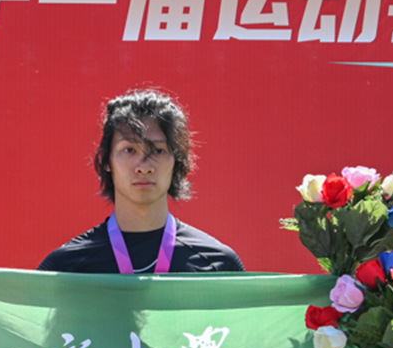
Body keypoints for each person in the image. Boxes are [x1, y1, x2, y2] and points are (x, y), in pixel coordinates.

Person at [36, 88, 244, 274]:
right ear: (106, 161)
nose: (144, 167)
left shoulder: (218, 265)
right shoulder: (65, 269)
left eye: (159, 150)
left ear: (177, 162)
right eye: (129, 150)